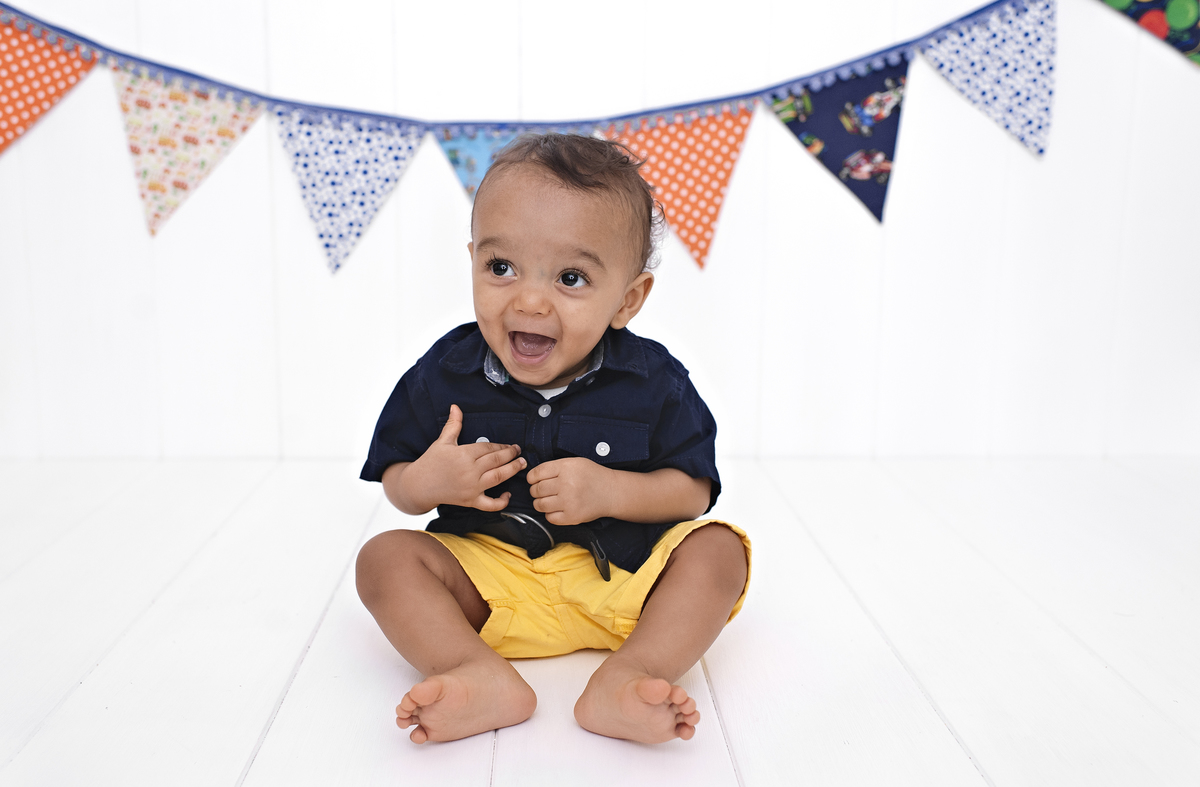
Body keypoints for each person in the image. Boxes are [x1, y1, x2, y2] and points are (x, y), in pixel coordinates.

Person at [355, 133, 751, 745]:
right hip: (490, 583)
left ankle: (632, 674)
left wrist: (611, 491)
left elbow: (693, 491)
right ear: (473, 260)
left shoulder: (653, 381)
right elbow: (397, 483)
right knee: (383, 559)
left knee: (720, 550)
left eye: (570, 277)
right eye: (501, 267)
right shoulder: (445, 373)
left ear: (628, 299)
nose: (530, 300)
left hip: (623, 582)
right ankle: (472, 669)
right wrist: (427, 482)